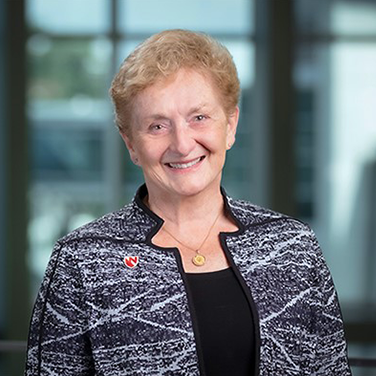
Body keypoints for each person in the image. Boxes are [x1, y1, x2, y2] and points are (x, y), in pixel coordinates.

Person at [25, 29, 351, 376]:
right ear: (131, 144)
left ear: (230, 125)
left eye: (199, 117)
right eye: (157, 126)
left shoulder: (293, 247)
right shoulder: (82, 259)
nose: (182, 144)